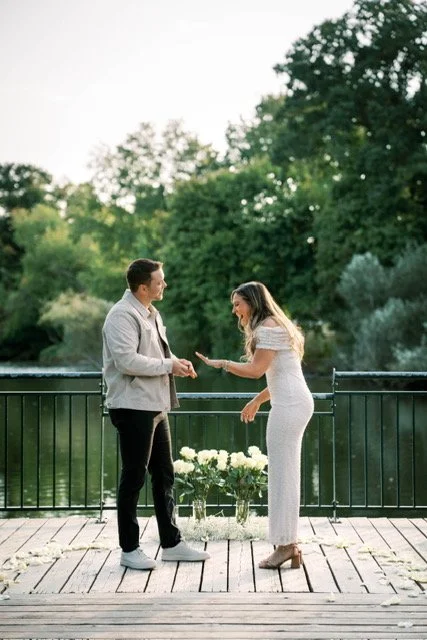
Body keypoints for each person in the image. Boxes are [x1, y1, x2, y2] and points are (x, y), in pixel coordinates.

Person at [196, 281, 314, 569]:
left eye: (238, 304)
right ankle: (290, 546)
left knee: (281, 475)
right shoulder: (276, 324)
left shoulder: (266, 329)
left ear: (253, 301)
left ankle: (285, 546)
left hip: (288, 406)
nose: (235, 310)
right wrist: (258, 400)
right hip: (293, 401)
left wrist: (222, 363)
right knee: (286, 473)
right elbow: (280, 374)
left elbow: (256, 370)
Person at [102, 258, 210, 570]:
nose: (164, 285)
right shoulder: (120, 316)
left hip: (155, 405)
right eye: (159, 281)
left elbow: (158, 354)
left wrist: (177, 361)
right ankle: (130, 549)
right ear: (142, 286)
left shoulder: (151, 312)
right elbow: (127, 362)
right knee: (133, 476)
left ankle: (172, 543)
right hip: (131, 406)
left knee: (164, 474)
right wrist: (168, 365)